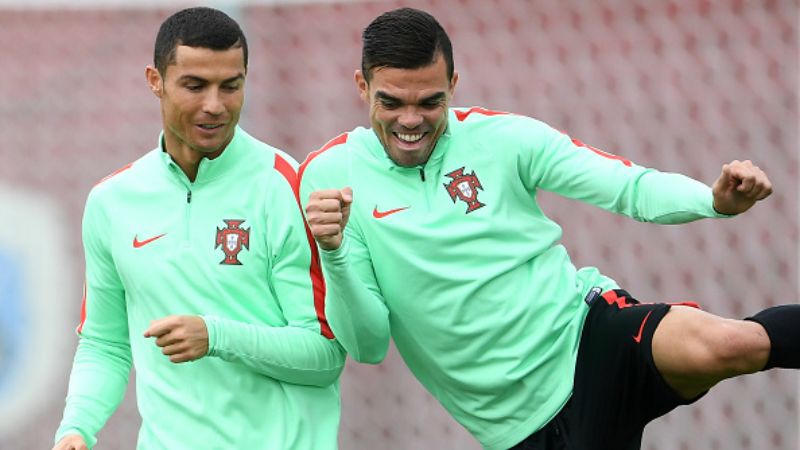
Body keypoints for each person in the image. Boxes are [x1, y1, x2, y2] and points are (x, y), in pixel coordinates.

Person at [299, 7, 799, 450]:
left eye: (430, 101)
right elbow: (367, 345)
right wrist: (335, 252)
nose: (411, 120)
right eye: (391, 102)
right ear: (362, 86)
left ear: (453, 84)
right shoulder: (328, 177)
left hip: (586, 335)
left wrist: (713, 201)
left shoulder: (504, 138)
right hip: (516, 429)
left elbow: (628, 186)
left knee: (733, 344)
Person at [53, 7, 345, 450]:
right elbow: (105, 344)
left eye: (231, 86)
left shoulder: (287, 186)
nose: (215, 105)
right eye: (195, 85)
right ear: (156, 81)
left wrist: (216, 336)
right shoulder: (112, 202)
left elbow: (325, 357)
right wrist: (76, 427)